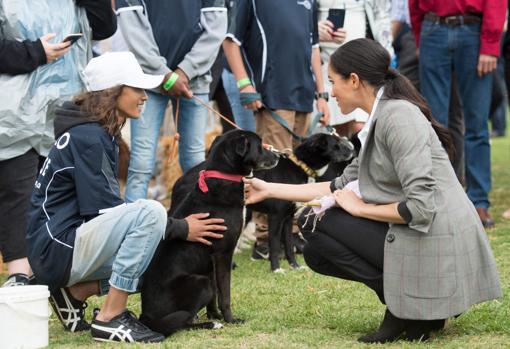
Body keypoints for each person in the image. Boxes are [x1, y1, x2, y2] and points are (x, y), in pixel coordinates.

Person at [243, 39, 502, 343]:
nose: (332, 92)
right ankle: (413, 307)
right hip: (424, 232)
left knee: (318, 221)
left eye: (333, 82)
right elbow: (339, 185)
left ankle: (414, 307)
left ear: (354, 80)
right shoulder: (380, 118)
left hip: (438, 240)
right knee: (316, 250)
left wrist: (359, 209)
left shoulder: (399, 118)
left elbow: (420, 208)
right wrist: (267, 188)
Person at [26, 52, 227, 343]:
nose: (145, 96)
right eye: (137, 88)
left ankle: (73, 294)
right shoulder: (88, 138)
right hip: (57, 249)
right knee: (151, 213)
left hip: (58, 247)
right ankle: (110, 317)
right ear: (112, 93)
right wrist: (180, 228)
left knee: (156, 246)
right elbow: (106, 212)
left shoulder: (94, 131)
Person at [0, 0, 116, 287]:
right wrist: (36, 52)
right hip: (17, 110)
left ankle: (63, 278)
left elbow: (105, 27)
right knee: (19, 192)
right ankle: (20, 277)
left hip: (67, 104)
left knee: (65, 193)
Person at [223, 0, 330, 258]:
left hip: (304, 96)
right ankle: (263, 239)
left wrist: (322, 93)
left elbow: (314, 46)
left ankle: (291, 234)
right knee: (273, 171)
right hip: (273, 94)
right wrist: (245, 84)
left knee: (299, 174)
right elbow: (230, 41)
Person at [116, 0, 227, 203]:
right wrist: (166, 74)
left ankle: (193, 224)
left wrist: (185, 70)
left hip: (194, 79)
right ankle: (131, 227)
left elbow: (216, 29)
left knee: (194, 161)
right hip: (148, 79)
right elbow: (133, 29)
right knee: (140, 164)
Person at [409, 0, 507, 228]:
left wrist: (490, 46)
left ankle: (478, 202)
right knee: (434, 125)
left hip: (473, 31)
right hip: (432, 28)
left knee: (477, 125)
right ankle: (440, 198)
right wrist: (418, 35)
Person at [316, 0, 392, 136]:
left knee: (360, 126)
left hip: (362, 59)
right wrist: (314, 31)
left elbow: (382, 16)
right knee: (335, 129)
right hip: (324, 61)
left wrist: (386, 55)